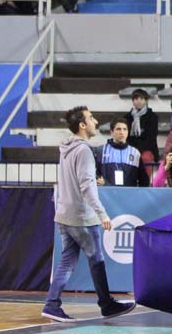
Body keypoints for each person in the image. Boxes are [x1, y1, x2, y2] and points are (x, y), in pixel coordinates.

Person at [42, 106, 135, 322]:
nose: (95, 121)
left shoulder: (66, 148)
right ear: (82, 125)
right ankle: (107, 304)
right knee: (96, 260)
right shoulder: (84, 150)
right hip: (81, 216)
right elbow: (87, 186)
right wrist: (102, 213)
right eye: (91, 118)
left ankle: (51, 304)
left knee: (68, 260)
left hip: (64, 213)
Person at [95, 118, 149, 187]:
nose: (122, 132)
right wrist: (105, 184)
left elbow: (144, 180)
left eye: (125, 129)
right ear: (111, 132)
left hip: (129, 193)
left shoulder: (135, 153)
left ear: (128, 132)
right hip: (107, 193)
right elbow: (94, 175)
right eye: (118, 129)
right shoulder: (101, 151)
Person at [125, 88, 159, 168]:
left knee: (145, 158)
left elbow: (151, 138)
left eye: (142, 98)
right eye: (136, 99)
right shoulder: (127, 117)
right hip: (131, 148)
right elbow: (126, 137)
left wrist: (137, 150)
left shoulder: (152, 117)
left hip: (147, 148)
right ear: (133, 101)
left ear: (146, 101)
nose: (139, 101)